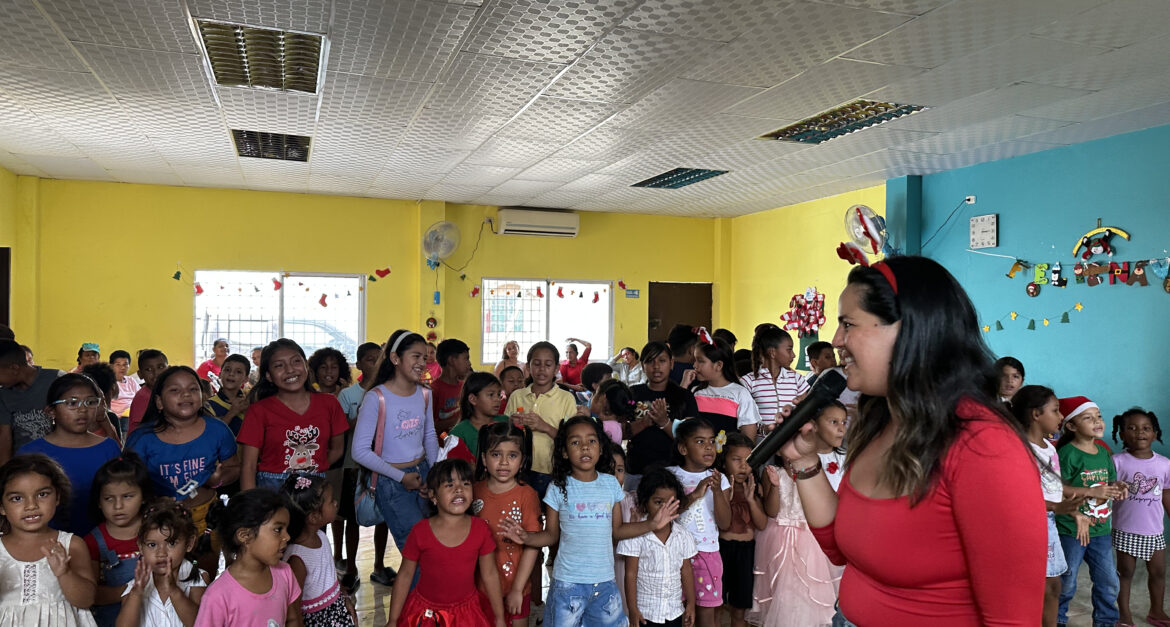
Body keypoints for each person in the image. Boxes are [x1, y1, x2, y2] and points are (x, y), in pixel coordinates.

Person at [778, 256, 1046, 626]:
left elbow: (1013, 618)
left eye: (848, 324)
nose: (837, 340)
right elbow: (843, 549)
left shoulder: (985, 448)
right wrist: (804, 461)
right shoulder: (883, 419)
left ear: (910, 331)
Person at [499, 417, 679, 627]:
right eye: (575, 442)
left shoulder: (610, 484)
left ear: (600, 448)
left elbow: (617, 531)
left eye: (591, 441)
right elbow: (551, 535)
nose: (584, 447)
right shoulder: (557, 487)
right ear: (564, 452)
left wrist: (652, 524)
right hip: (568, 584)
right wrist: (525, 537)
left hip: (604, 583)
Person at [125, 366, 240, 575]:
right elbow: (127, 483)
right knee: (165, 576)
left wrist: (216, 480)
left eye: (193, 389)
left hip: (206, 517)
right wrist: (153, 501)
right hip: (159, 520)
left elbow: (234, 467)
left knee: (203, 575)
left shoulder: (218, 430)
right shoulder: (142, 438)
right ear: (159, 402)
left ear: (203, 396)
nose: (185, 394)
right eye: (175, 390)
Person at [351, 330, 439, 586]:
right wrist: (402, 477)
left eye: (424, 357)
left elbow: (430, 435)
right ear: (395, 358)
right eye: (415, 356)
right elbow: (359, 451)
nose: (422, 363)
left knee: (432, 547)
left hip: (423, 476)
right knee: (417, 554)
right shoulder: (377, 397)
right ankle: (417, 606)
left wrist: (434, 476)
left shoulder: (425, 394)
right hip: (392, 482)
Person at [387, 459, 505, 627]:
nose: (459, 489)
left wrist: (499, 618)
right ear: (433, 496)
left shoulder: (481, 529)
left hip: (467, 615)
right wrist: (393, 620)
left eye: (465, 483)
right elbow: (405, 575)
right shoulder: (420, 531)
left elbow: (490, 574)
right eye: (449, 485)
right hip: (425, 615)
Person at [1008, 386, 1090, 627]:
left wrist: (1072, 509)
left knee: (1053, 585)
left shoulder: (1049, 448)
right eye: (1055, 410)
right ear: (1036, 414)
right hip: (1030, 524)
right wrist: (1056, 507)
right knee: (1043, 586)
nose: (1061, 416)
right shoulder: (1020, 449)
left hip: (1048, 523)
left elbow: (1053, 487)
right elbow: (1017, 498)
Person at [750, 413, 841, 627]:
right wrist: (774, 486)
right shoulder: (773, 472)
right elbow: (772, 511)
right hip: (778, 538)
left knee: (807, 590)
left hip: (808, 541)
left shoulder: (813, 471)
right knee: (782, 591)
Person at [1055, 395, 1128, 627]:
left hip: (1100, 530)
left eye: (1099, 416)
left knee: (1108, 582)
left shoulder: (1103, 452)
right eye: (1088, 418)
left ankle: (1105, 621)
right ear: (1071, 426)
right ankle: (1056, 620)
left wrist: (1118, 487)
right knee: (1067, 582)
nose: (1097, 421)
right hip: (1071, 529)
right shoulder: (1067, 453)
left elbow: (1109, 482)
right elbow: (1057, 488)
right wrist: (1091, 492)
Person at [18, 373, 122, 536]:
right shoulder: (30, 453)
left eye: (90, 402)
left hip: (102, 540)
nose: (83, 409)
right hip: (47, 541)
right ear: (51, 411)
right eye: (72, 403)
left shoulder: (109, 448)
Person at [238, 339, 348, 492]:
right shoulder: (258, 411)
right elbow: (248, 466)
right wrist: (250, 504)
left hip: (315, 489)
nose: (290, 370)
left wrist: (311, 471)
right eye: (279, 365)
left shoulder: (330, 403)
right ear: (269, 375)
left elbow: (337, 450)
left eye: (296, 361)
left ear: (306, 366)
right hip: (272, 491)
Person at [0, 453, 97, 625]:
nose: (31, 505)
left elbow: (86, 600)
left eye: (42, 494)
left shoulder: (71, 545)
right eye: (17, 498)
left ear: (57, 497)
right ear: (2, 507)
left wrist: (64, 573)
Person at [196, 489, 302, 627]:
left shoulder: (284, 573)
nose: (287, 537)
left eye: (286, 529)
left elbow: (292, 620)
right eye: (278, 530)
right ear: (245, 536)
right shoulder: (218, 596)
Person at [473, 423, 540, 627]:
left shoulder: (527, 495)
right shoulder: (473, 491)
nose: (503, 462)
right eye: (496, 454)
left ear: (522, 460)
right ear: (484, 458)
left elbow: (532, 545)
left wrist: (518, 589)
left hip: (516, 586)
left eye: (512, 455)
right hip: (480, 588)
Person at [335, 341, 390, 589]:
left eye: (379, 359)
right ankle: (351, 567)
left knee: (383, 516)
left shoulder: (388, 392)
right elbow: (341, 430)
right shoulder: (348, 395)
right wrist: (363, 413)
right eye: (370, 359)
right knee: (352, 517)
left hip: (382, 463)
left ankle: (379, 565)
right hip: (354, 464)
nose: (376, 363)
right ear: (358, 364)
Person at [1109, 408, 1170, 627]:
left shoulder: (1164, 464)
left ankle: (1156, 611)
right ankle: (1124, 614)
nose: (1140, 432)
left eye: (1146, 428)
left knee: (1159, 572)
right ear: (1122, 434)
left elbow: (1166, 493)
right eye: (1132, 428)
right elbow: (1107, 491)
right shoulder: (1117, 462)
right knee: (1125, 572)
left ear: (1155, 433)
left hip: (1154, 530)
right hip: (1126, 528)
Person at [667, 418, 729, 627]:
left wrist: (717, 491)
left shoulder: (720, 479)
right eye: (700, 442)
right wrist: (694, 495)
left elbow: (725, 523)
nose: (709, 447)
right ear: (683, 448)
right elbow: (664, 515)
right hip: (674, 554)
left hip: (706, 554)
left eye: (712, 441)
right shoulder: (670, 475)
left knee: (706, 614)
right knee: (679, 613)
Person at [617, 467, 697, 627]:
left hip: (674, 611)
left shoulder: (683, 536)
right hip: (645, 613)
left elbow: (686, 570)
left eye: (671, 503)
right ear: (645, 503)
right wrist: (632, 610)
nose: (664, 509)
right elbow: (630, 574)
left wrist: (691, 603)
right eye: (658, 502)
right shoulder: (635, 535)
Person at [279, 474, 357, 627]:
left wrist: (345, 597)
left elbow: (331, 575)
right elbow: (294, 608)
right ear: (314, 517)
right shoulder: (297, 558)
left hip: (336, 611)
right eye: (331, 501)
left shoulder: (321, 536)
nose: (336, 503)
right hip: (318, 620)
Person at [116, 501, 209, 627]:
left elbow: (200, 623)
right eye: (152, 545)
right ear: (141, 547)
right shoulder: (135, 586)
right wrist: (136, 593)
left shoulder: (197, 579)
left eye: (171, 543)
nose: (161, 553)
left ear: (189, 544)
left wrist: (174, 591)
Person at [85, 454, 152, 627]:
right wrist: (133, 590)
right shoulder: (93, 542)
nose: (118, 506)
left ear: (144, 496)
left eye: (127, 496)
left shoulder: (157, 531)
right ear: (98, 502)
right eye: (109, 498)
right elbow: (92, 595)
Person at [504, 342, 577, 498]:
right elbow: (503, 433)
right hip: (519, 468)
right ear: (528, 367)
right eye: (536, 364)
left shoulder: (566, 398)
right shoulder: (517, 396)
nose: (542, 369)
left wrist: (544, 426)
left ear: (556, 369)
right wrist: (512, 424)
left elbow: (571, 440)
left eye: (548, 364)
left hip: (551, 469)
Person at [628, 342, 699, 489]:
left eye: (662, 361)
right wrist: (644, 422)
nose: (656, 366)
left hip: (674, 471)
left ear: (671, 363)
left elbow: (690, 438)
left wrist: (664, 422)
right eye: (650, 361)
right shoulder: (633, 394)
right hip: (637, 470)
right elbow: (619, 432)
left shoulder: (684, 396)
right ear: (642, 366)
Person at [717, 432, 767, 627]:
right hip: (720, 549)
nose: (743, 466)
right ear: (723, 462)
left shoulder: (754, 487)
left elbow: (762, 524)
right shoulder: (718, 488)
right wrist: (725, 498)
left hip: (746, 554)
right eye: (736, 459)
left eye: (748, 460)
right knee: (715, 606)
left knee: (739, 611)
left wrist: (751, 500)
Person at [0, 338, 66, 461]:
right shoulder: (3, 394)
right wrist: (5, 470)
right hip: (24, 463)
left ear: (14, 369)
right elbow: (5, 437)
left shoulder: (57, 379)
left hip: (60, 459)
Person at [740, 326, 808, 434]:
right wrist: (764, 429)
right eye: (789, 349)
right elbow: (742, 421)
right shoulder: (748, 382)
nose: (793, 355)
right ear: (772, 352)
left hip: (791, 442)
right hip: (762, 444)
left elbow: (806, 413)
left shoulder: (797, 379)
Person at [691, 337, 760, 441]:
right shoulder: (695, 392)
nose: (695, 365)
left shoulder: (740, 393)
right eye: (695, 360)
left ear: (719, 365)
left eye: (700, 361)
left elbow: (748, 437)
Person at [450, 372, 509, 458]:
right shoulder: (459, 433)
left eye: (499, 394)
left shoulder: (506, 421)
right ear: (473, 399)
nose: (497, 399)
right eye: (491, 394)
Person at [432, 338, 472, 435]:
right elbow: (429, 427)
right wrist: (461, 419)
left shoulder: (465, 387)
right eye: (466, 358)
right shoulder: (433, 390)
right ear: (452, 361)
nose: (469, 363)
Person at [205, 354, 250, 437]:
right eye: (227, 370)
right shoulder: (209, 405)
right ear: (220, 374)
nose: (231, 374)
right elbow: (211, 435)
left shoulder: (249, 402)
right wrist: (232, 412)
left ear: (246, 379)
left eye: (238, 372)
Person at [127, 350, 168, 436]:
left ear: (168, 369)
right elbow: (143, 431)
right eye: (148, 369)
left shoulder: (167, 393)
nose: (156, 373)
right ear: (140, 374)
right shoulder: (143, 397)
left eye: (160, 367)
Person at [592, 379, 635, 446]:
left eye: (595, 393)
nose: (592, 397)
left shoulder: (598, 427)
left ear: (603, 399)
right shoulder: (616, 427)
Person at [108, 351, 140, 418]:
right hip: (119, 417)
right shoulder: (108, 382)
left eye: (125, 364)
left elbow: (140, 397)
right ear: (111, 366)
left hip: (134, 413)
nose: (122, 368)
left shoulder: (131, 381)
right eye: (118, 364)